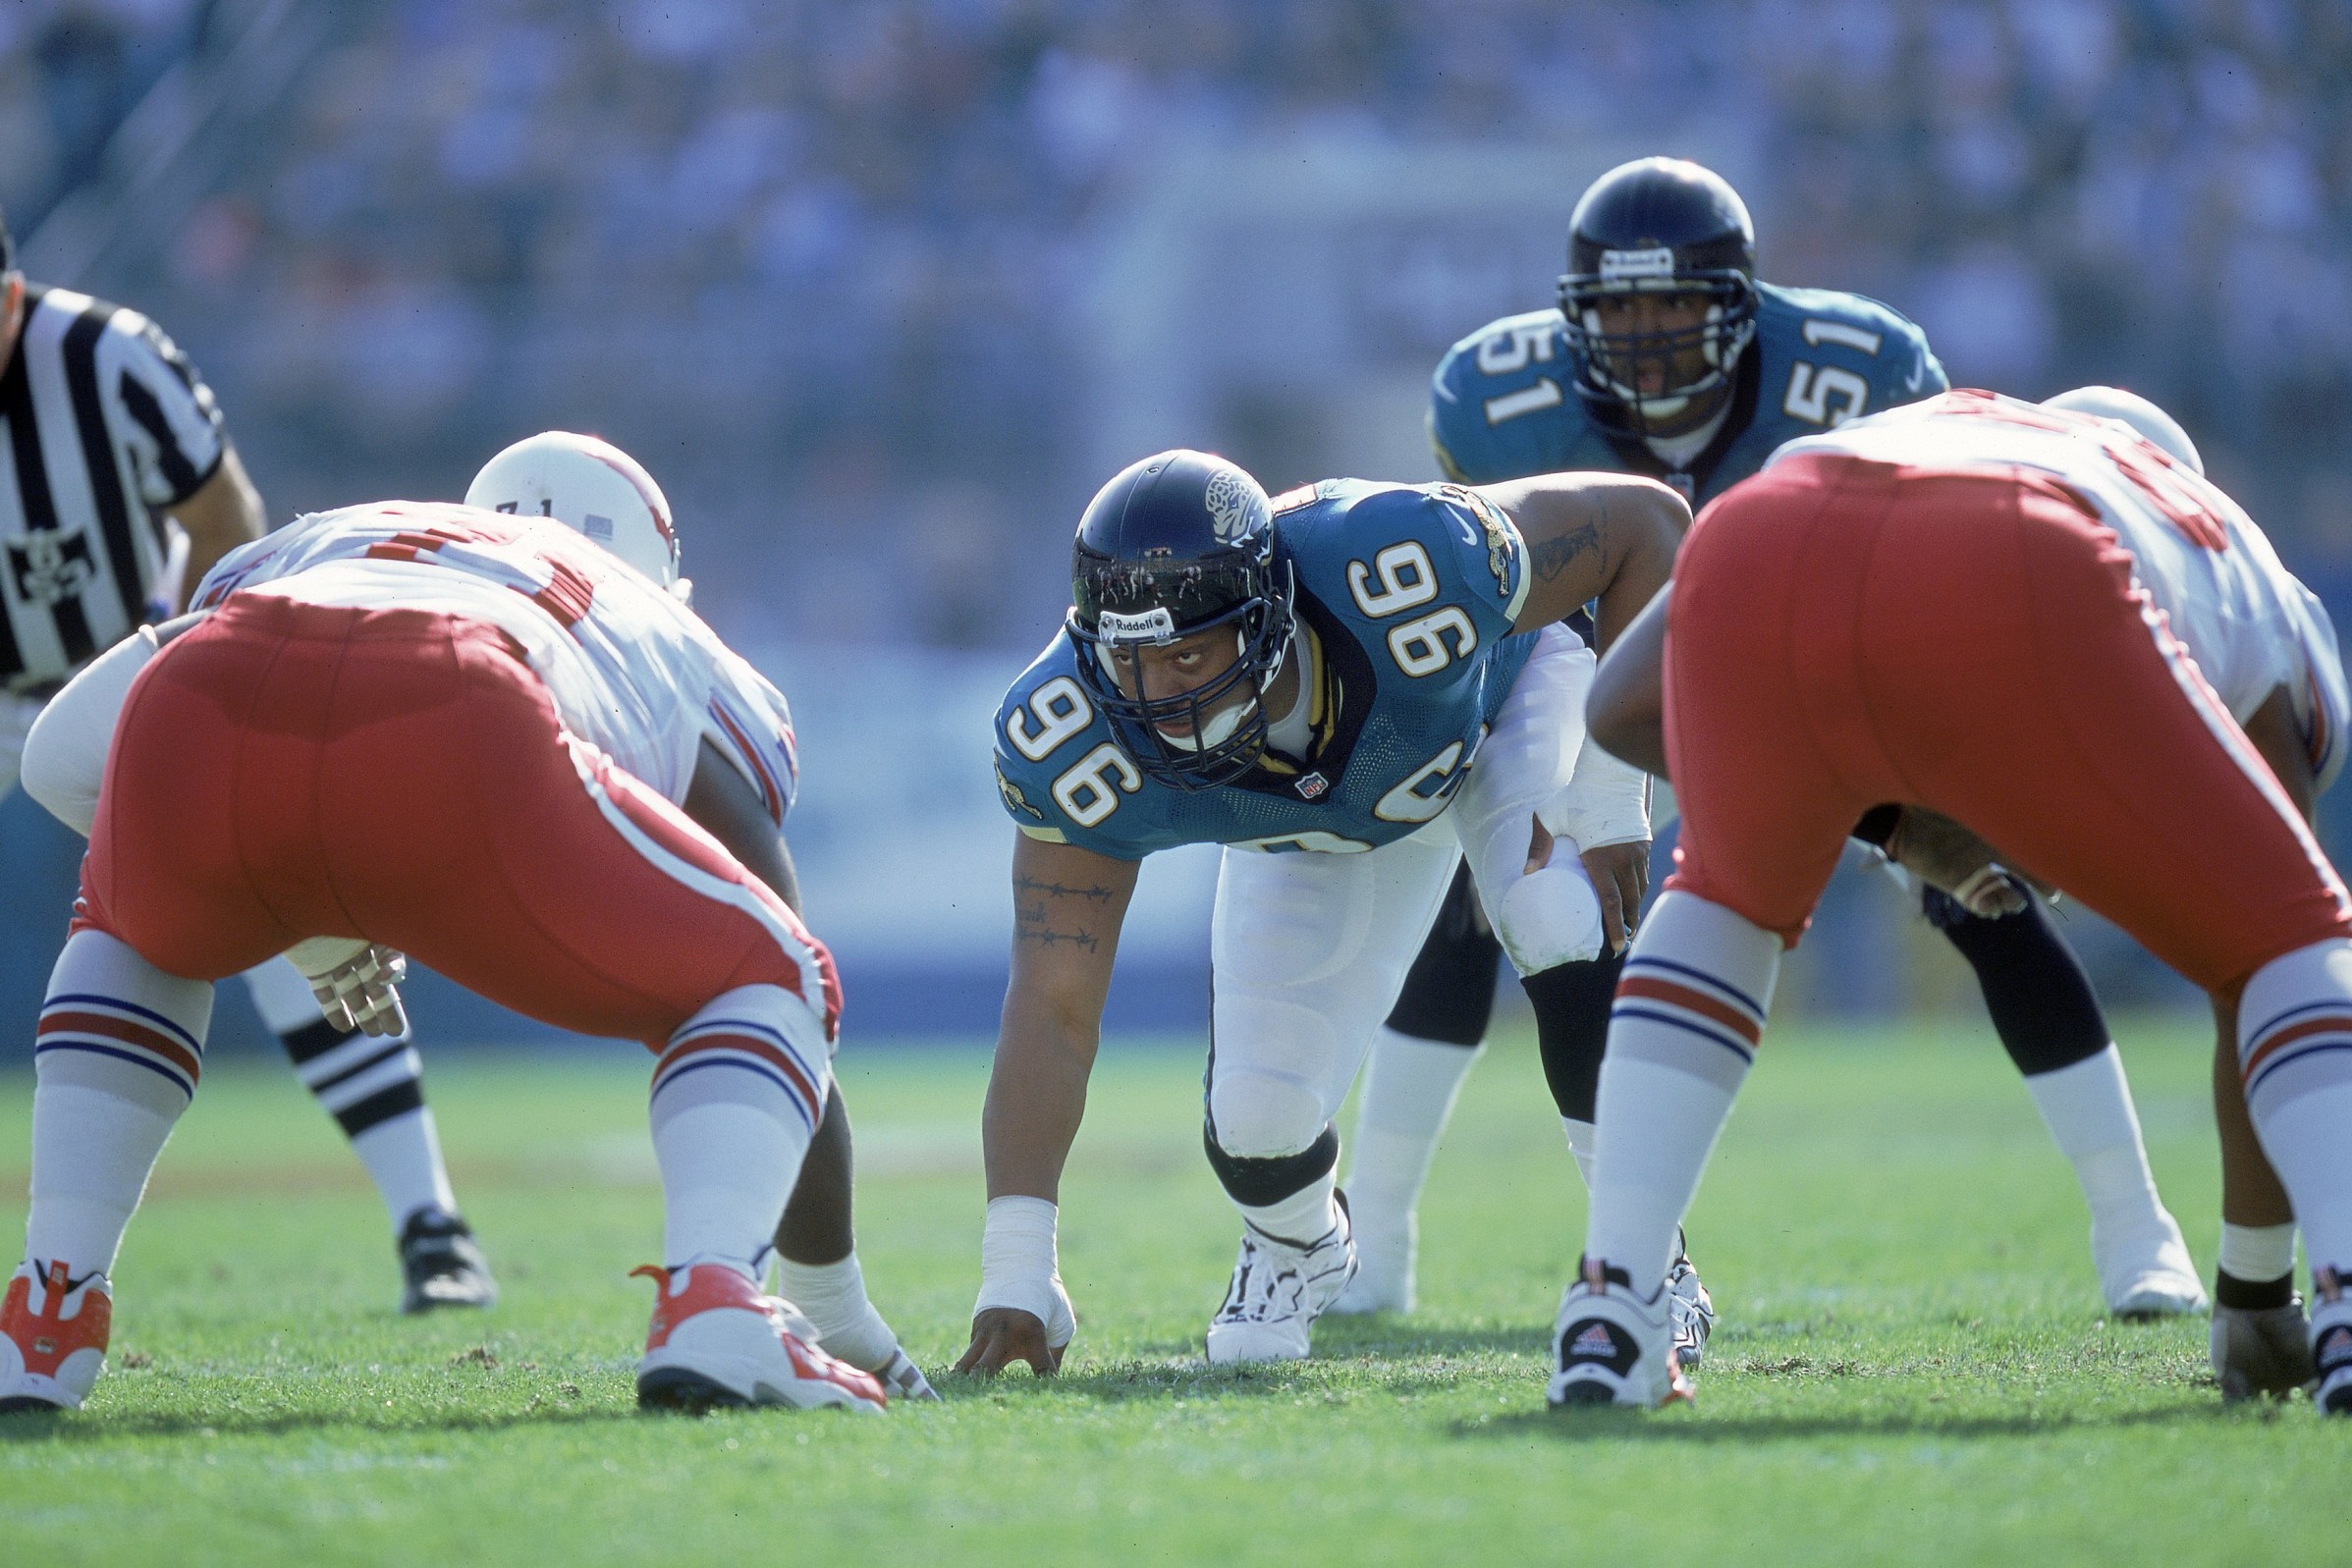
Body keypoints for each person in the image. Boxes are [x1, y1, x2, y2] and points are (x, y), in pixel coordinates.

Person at [1338, 157, 2205, 1329]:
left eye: (1676, 305)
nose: (1646, 337)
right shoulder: (1496, 397)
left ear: (1739, 305)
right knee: (1477, 898)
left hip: (1823, 659)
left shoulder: (1860, 371)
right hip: (1595, 671)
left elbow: (1914, 566)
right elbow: (1512, 616)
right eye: (1622, 309)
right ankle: (1377, 1244)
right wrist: (1580, 800)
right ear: (1573, 315)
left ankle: (2134, 1225)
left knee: (1984, 895)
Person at [0, 434, 920, 1413]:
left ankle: (45, 1310)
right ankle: (715, 1301)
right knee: (773, 972)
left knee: (133, 919)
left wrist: (301, 913)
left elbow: (58, 758)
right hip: (466, 708)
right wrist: (837, 1302)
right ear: (655, 561)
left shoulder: (333, 536)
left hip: (215, 687)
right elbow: (779, 979)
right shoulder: (661, 624)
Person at [1554, 388, 2352, 1416]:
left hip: (1765, 528)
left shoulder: (1933, 423)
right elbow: (2266, 964)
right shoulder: (2228, 556)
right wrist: (2254, 1282)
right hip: (2029, 552)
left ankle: (1612, 1303)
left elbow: (1620, 705)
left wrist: (1885, 821)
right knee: (2297, 932)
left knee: (1725, 895)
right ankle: (2336, 1297)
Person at [957, 448, 1685, 1376]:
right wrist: (1016, 1268)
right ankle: (1299, 1246)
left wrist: (1615, 791)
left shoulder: (1403, 557)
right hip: (1326, 827)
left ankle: (1649, 1268)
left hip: (1500, 703)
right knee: (1259, 1121)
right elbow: (1052, 1007)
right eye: (1131, 660)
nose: (1161, 696)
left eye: (1188, 653)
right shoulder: (1070, 737)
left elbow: (1646, 524)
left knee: (1555, 910)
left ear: (1265, 616)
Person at [0, 204, 493, 1314]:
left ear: (14, 303)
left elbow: (228, 520)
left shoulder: (106, 361)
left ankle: (431, 1219)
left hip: (130, 664)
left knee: (265, 881)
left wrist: (186, 687)